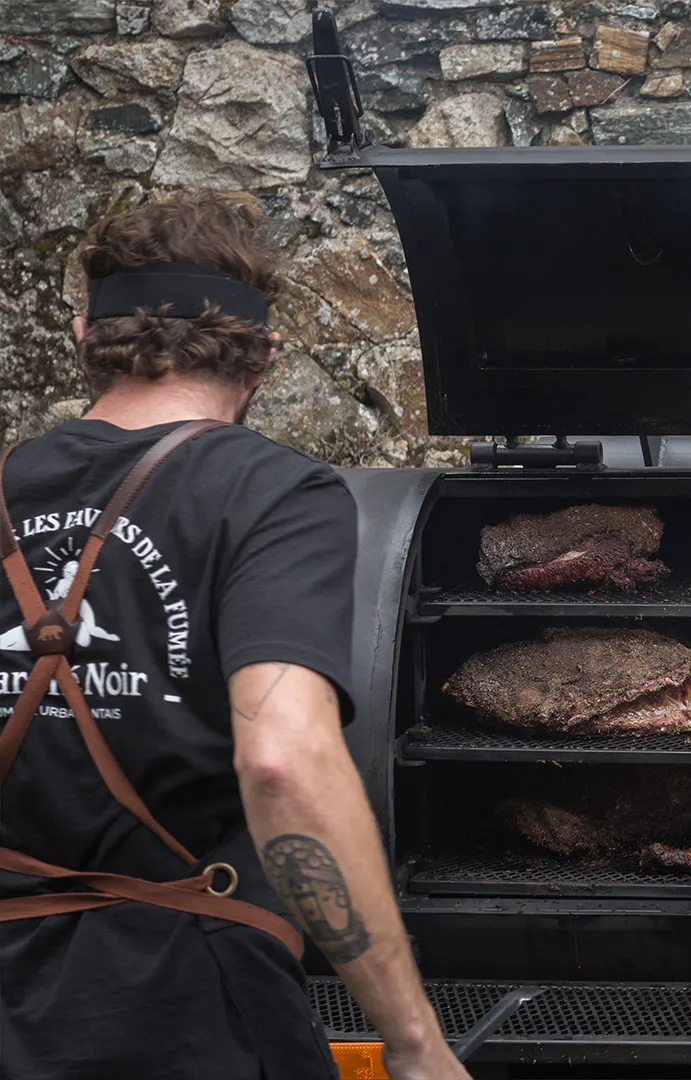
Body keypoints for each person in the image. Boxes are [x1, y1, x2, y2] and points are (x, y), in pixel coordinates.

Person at [0, 192, 468, 1080]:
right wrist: (413, 1045)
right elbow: (284, 761)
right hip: (189, 1014)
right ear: (266, 357)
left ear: (80, 338)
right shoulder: (273, 493)